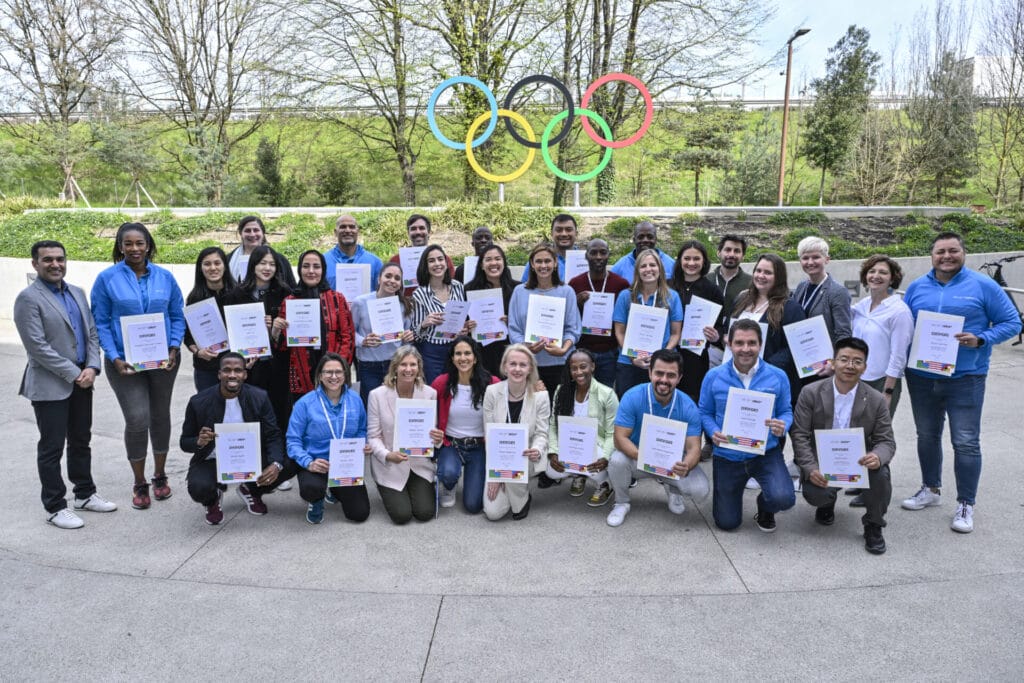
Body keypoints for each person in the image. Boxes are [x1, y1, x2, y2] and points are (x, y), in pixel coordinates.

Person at [900, 231, 1022, 533]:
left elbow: (1013, 322)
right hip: (922, 376)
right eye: (940, 251)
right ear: (932, 255)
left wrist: (981, 338)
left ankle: (966, 503)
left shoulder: (983, 285)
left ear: (963, 253)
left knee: (965, 441)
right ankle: (931, 489)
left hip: (965, 377)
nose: (946, 256)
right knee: (926, 436)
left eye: (952, 250)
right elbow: (905, 327)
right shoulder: (917, 288)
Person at [15, 240, 116, 529]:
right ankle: (55, 506)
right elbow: (37, 347)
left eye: (60, 259)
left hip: (84, 380)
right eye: (47, 260)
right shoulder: (28, 298)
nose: (55, 264)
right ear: (35, 264)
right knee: (52, 447)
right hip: (51, 385)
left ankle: (84, 493)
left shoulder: (77, 292)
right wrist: (75, 372)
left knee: (81, 440)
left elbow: (92, 334)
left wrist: (93, 367)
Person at [91, 223, 185, 510]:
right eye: (128, 243)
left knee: (160, 416)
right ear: (120, 246)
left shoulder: (165, 277)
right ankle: (139, 480)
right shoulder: (107, 279)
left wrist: (173, 347)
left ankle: (159, 474)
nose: (134, 249)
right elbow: (102, 321)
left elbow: (176, 314)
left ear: (148, 245)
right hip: (124, 363)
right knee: (136, 419)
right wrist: (114, 356)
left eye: (139, 243)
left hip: (163, 361)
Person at [791, 338, 895, 555]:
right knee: (816, 494)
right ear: (833, 362)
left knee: (881, 473)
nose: (850, 366)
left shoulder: (876, 399)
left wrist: (877, 456)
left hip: (859, 462)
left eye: (857, 361)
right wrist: (810, 468)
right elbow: (799, 435)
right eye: (844, 359)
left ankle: (873, 524)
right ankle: (827, 503)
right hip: (822, 462)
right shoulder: (810, 392)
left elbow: (886, 441)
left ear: (865, 367)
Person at [699, 319, 796, 532]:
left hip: (765, 453)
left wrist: (784, 425)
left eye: (751, 343)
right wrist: (713, 431)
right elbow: (704, 412)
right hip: (728, 455)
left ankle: (765, 506)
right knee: (727, 523)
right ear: (730, 344)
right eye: (739, 343)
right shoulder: (714, 377)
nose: (745, 349)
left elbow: (786, 411)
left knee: (784, 498)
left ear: (760, 345)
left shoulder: (777, 376)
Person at [180, 353, 296, 525]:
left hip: (249, 458)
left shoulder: (260, 397)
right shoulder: (199, 402)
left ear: (245, 374)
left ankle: (250, 489)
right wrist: (198, 441)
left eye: (237, 370)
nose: (232, 375)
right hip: (214, 459)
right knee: (199, 488)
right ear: (219, 374)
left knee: (288, 463)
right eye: (227, 370)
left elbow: (273, 434)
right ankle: (212, 500)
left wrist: (275, 464)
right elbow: (184, 442)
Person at [604, 349, 709, 527]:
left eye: (671, 375)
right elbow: (619, 438)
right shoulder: (632, 397)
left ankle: (673, 491)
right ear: (650, 372)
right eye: (659, 373)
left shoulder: (688, 406)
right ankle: (621, 502)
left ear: (680, 378)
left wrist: (687, 465)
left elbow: (694, 448)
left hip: (672, 463)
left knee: (700, 491)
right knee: (617, 460)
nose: (664, 380)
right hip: (637, 457)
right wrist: (644, 456)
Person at [848, 255, 913, 507]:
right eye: (872, 271)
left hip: (882, 383)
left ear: (892, 278)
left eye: (883, 273)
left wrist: (888, 390)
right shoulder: (862, 306)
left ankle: (875, 491)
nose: (876, 276)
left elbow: (899, 355)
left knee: (877, 438)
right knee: (859, 436)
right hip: (857, 381)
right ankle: (862, 482)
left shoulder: (899, 311)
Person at [223, 245, 294, 451]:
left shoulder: (284, 293)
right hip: (250, 367)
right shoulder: (236, 294)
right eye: (262, 263)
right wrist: (241, 355)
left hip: (278, 365)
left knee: (279, 412)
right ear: (253, 265)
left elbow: (290, 337)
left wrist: (275, 330)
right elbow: (231, 332)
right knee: (250, 413)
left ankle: (277, 463)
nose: (267, 268)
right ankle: (252, 462)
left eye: (272, 264)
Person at [286, 353, 370, 524]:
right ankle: (316, 501)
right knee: (312, 489)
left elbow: (362, 429)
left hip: (345, 464)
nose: (333, 377)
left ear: (346, 374)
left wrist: (363, 444)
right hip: (317, 462)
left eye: (338, 372)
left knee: (359, 514)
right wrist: (309, 462)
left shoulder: (355, 399)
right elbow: (293, 441)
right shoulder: (305, 403)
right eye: (328, 372)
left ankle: (333, 489)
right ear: (320, 376)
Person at [367, 346, 442, 525]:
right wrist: (387, 455)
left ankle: (415, 487)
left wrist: (437, 439)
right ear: (395, 368)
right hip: (390, 464)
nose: (408, 369)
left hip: (418, 462)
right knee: (402, 516)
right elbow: (373, 436)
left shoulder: (429, 393)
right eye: (403, 365)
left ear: (419, 368)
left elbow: (432, 430)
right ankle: (386, 487)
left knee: (424, 513)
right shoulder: (376, 395)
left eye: (413, 365)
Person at [274, 250, 355, 407]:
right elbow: (283, 346)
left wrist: (337, 367)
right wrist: (276, 330)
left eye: (316, 266)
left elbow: (347, 336)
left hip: (332, 374)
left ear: (323, 270)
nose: (311, 271)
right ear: (299, 270)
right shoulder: (289, 301)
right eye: (306, 266)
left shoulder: (337, 298)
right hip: (301, 375)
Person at [482, 344, 551, 521]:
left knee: (515, 506)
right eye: (513, 364)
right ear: (505, 366)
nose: (517, 369)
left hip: (526, 457)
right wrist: (495, 474)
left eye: (523, 365)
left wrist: (536, 449)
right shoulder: (492, 392)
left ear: (530, 369)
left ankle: (523, 498)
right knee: (493, 513)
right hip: (500, 458)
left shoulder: (541, 397)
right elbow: (489, 436)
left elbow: (542, 433)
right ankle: (509, 481)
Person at [432, 337, 500, 513]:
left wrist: (534, 388)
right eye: (458, 354)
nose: (463, 358)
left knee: (473, 505)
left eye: (468, 353)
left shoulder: (492, 383)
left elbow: (512, 398)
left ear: (475, 357)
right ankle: (449, 484)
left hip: (478, 446)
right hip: (451, 444)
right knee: (448, 473)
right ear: (453, 358)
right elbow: (426, 410)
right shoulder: (441, 383)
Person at [546, 349, 619, 506]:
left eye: (583, 366)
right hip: (571, 444)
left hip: (597, 445)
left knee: (595, 463)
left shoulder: (607, 394)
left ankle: (605, 484)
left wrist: (605, 457)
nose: (579, 372)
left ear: (592, 366)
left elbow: (612, 432)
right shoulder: (561, 390)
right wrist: (553, 452)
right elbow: (553, 424)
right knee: (551, 471)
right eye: (574, 368)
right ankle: (579, 475)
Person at [731, 253, 805, 407]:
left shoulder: (790, 308)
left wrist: (764, 366)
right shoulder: (742, 299)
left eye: (768, 272)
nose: (761, 276)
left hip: (768, 379)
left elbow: (795, 348)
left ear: (778, 277)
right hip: (737, 375)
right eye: (758, 271)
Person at [508, 243, 581, 396]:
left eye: (547, 261)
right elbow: (513, 329)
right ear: (532, 265)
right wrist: (526, 347)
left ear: (555, 263)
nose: (543, 265)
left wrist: (563, 349)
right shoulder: (519, 292)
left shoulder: (566, 292)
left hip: (561, 363)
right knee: (531, 411)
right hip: (529, 364)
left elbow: (573, 329)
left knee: (560, 410)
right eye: (538, 261)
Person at [612, 248, 683, 398]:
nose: (648, 269)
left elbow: (676, 333)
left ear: (660, 269)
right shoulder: (626, 296)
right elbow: (619, 332)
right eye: (643, 266)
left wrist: (661, 356)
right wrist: (632, 357)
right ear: (637, 271)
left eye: (652, 265)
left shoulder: (672, 297)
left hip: (662, 364)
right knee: (629, 406)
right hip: (629, 362)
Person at [568, 238, 630, 389]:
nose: (598, 257)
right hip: (582, 350)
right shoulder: (575, 284)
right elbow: (567, 316)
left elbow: (627, 318)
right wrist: (576, 303)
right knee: (581, 392)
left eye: (603, 252)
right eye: (593, 252)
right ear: (586, 256)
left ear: (609, 255)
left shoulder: (621, 284)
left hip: (610, 352)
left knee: (605, 393)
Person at [670, 240, 726, 405]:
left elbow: (720, 325)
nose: (691, 263)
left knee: (691, 401)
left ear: (704, 261)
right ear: (680, 260)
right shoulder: (668, 286)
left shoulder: (712, 291)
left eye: (696, 259)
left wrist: (716, 335)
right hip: (669, 352)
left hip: (696, 358)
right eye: (687, 259)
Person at [351, 262, 415, 403]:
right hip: (368, 366)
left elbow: (405, 341)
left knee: (393, 406)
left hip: (395, 365)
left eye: (397, 278)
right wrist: (363, 341)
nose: (392, 281)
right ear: (379, 279)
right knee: (370, 406)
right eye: (388, 276)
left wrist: (408, 337)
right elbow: (350, 333)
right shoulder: (360, 302)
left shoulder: (405, 306)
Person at [410, 244, 468, 384]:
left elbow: (463, 317)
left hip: (457, 349)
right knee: (435, 392)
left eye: (440, 259)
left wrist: (465, 328)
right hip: (432, 353)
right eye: (431, 261)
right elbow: (415, 335)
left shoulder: (458, 286)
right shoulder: (419, 294)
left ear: (446, 263)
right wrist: (425, 323)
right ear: (426, 266)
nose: (437, 264)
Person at [184, 246, 236, 391]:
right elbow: (188, 337)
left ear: (225, 266)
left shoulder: (239, 294)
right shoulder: (194, 298)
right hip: (207, 368)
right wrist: (198, 352)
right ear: (200, 268)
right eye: (207, 264)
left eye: (217, 263)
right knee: (208, 411)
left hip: (235, 367)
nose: (213, 268)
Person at [464, 243, 517, 377]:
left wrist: (512, 321)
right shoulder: (469, 290)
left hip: (509, 350)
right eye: (488, 259)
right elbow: (463, 324)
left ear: (504, 262)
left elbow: (524, 320)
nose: (493, 263)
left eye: (498, 259)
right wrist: (467, 326)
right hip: (481, 351)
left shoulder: (517, 289)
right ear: (481, 265)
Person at [793, 236, 852, 348]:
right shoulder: (801, 287)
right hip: (801, 352)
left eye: (816, 257)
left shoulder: (838, 292)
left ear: (827, 259)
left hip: (826, 359)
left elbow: (843, 333)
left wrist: (835, 361)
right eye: (805, 258)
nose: (810, 262)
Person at [706, 234, 752, 368]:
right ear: (719, 252)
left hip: (740, 350)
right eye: (727, 250)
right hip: (710, 347)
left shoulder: (752, 283)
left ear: (743, 256)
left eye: (737, 251)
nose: (731, 254)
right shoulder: (706, 280)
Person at [389, 214, 455, 295]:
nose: (418, 232)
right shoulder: (396, 261)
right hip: (407, 305)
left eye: (422, 228)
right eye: (413, 229)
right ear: (408, 233)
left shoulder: (444, 260)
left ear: (429, 232)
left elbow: (451, 287)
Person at [226, 215, 296, 289]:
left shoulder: (280, 260)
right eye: (247, 231)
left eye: (256, 230)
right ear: (241, 233)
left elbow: (292, 289)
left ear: (263, 233)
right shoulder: (228, 260)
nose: (252, 234)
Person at [323, 213, 384, 291]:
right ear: (335, 232)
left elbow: (381, 294)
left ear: (358, 231)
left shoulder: (375, 262)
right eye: (343, 227)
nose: (348, 230)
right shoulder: (323, 261)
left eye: (352, 227)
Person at [609, 221, 676, 284]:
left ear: (655, 240)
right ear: (634, 240)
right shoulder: (620, 267)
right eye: (640, 237)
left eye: (650, 237)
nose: (645, 240)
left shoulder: (671, 265)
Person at [520, 213, 578, 282]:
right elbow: (524, 289)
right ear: (551, 234)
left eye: (568, 230)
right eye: (559, 230)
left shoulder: (586, 259)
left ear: (576, 233)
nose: (564, 234)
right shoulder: (539, 260)